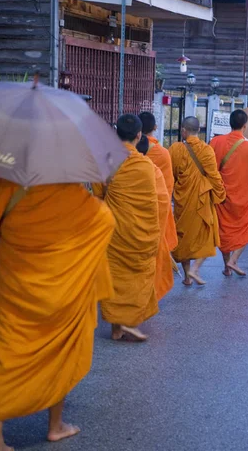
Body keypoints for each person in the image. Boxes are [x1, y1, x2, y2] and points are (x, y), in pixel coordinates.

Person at [0, 177, 115, 451]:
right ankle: (55, 426)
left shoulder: (3, 184)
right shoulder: (80, 200)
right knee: (60, 352)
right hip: (64, 295)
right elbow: (106, 222)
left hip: (17, 289)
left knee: (7, 354)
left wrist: (11, 227)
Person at [92, 114, 160, 342]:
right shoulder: (144, 165)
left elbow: (98, 197)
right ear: (139, 136)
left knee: (115, 274)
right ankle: (128, 321)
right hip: (139, 231)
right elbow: (151, 204)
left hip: (114, 228)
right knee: (136, 275)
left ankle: (116, 327)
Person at [169, 116, 226, 285]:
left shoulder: (175, 149)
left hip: (182, 199)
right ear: (199, 130)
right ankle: (195, 269)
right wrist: (221, 194)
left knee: (184, 236)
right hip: (202, 199)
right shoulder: (206, 150)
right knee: (207, 236)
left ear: (183, 130)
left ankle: (187, 276)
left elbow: (170, 174)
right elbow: (214, 176)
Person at [210, 109, 248, 277]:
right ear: (245, 126)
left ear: (230, 123)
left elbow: (211, 167)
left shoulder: (215, 142)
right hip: (242, 195)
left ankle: (227, 266)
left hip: (221, 195)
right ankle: (233, 260)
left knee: (223, 230)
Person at [136, 133, 174, 301]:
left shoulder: (111, 167)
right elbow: (164, 200)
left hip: (120, 230)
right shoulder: (155, 168)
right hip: (148, 229)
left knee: (121, 273)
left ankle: (118, 321)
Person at [138, 111, 178, 255]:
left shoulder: (127, 153)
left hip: (133, 211)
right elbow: (168, 186)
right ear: (155, 127)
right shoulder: (162, 153)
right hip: (156, 209)